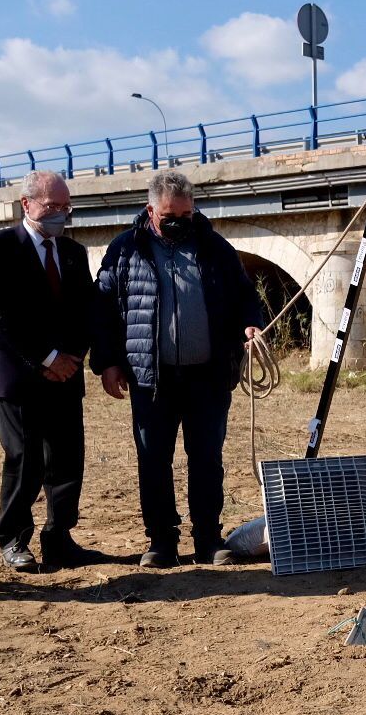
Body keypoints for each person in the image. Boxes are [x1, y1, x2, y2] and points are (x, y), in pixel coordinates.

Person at [91, 171, 263, 568]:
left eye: (186, 213)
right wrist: (108, 362)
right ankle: (162, 543)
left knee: (206, 458)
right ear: (151, 209)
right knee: (153, 460)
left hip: (208, 375)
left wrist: (250, 323)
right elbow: (102, 311)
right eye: (170, 214)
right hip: (151, 378)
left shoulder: (214, 246)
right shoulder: (124, 250)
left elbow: (244, 294)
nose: (179, 220)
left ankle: (207, 538)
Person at [0, 170, 96, 571]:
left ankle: (59, 538)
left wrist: (71, 358)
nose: (60, 214)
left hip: (66, 374)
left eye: (65, 207)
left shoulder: (74, 254)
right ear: (26, 204)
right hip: (18, 375)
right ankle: (13, 538)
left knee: (66, 461)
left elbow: (85, 312)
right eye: (51, 206)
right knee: (24, 460)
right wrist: (47, 358)